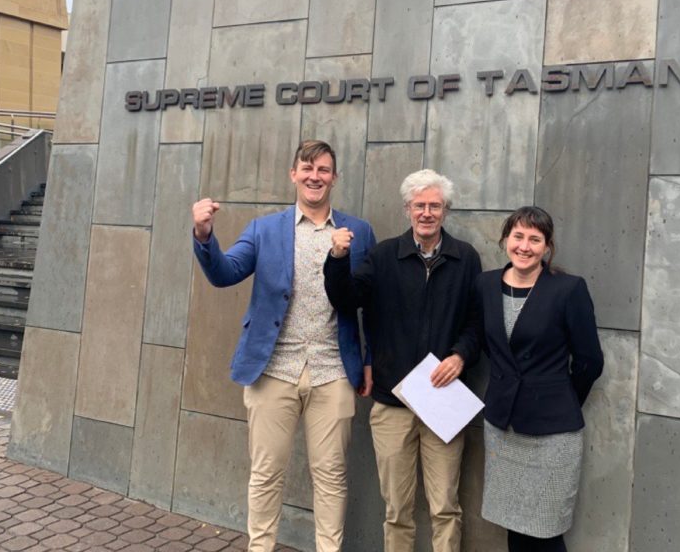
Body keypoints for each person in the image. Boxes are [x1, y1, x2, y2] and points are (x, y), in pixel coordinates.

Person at [191, 140, 375, 552]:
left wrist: (368, 361)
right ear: (293, 174)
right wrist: (204, 235)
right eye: (307, 168)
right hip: (273, 368)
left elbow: (371, 304)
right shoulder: (265, 229)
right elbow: (225, 273)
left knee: (331, 475)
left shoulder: (358, 232)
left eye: (324, 170)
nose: (315, 176)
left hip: (332, 371)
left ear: (334, 178)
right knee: (266, 472)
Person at [323, 169, 482, 552]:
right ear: (407, 209)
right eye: (419, 205)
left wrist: (461, 355)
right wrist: (337, 258)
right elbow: (346, 299)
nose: (426, 213)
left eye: (435, 206)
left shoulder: (465, 259)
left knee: (445, 506)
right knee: (397, 508)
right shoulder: (382, 257)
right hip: (393, 402)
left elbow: (478, 322)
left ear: (445, 210)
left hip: (443, 399)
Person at [473, 206, 603, 552]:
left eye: (535, 239)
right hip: (503, 428)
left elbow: (590, 360)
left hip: (552, 433)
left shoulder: (568, 289)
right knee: (514, 526)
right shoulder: (485, 285)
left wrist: (559, 398)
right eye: (518, 236)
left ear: (547, 247)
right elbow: (489, 344)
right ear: (505, 240)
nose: (525, 246)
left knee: (545, 530)